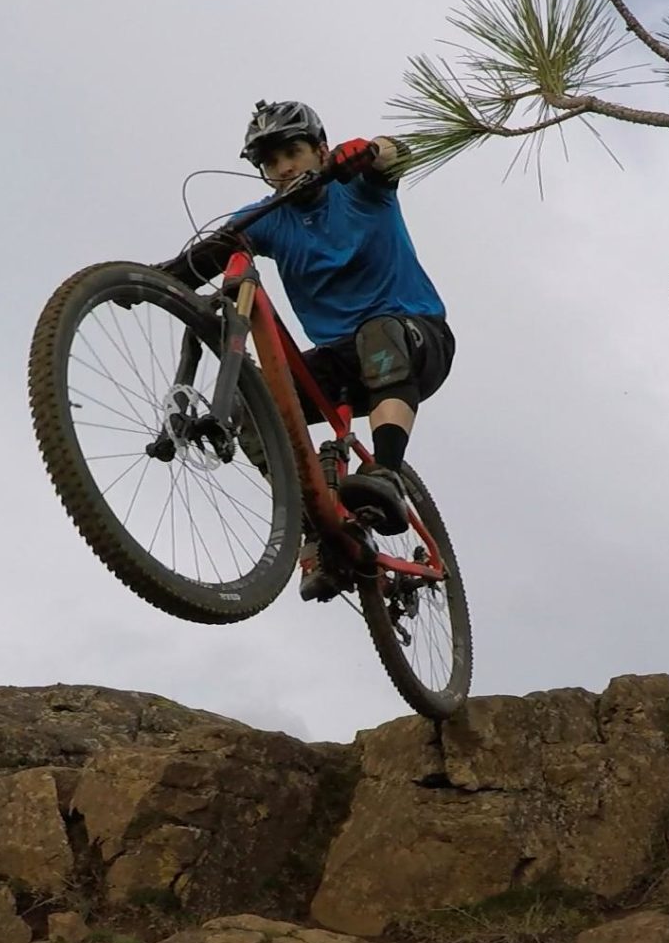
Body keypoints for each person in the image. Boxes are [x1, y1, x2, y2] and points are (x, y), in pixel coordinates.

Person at [157, 99, 455, 601]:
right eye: (271, 163)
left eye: (293, 152)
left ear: (320, 149)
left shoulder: (359, 189)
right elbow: (208, 256)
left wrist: (367, 151)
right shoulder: (268, 220)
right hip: (339, 363)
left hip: (416, 335)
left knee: (377, 333)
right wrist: (149, 281)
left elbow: (396, 155)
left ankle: (384, 474)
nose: (284, 168)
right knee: (252, 408)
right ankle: (318, 525)